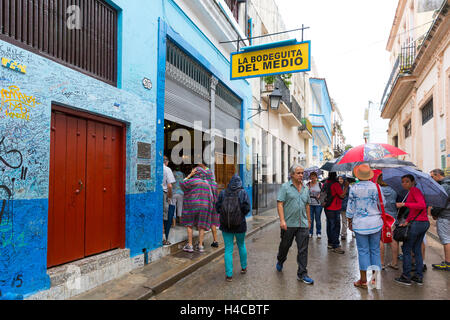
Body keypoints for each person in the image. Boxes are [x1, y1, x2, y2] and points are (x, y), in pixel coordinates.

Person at [346, 164, 383, 289]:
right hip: (376, 222)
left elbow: (350, 207)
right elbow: (383, 202)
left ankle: (363, 280)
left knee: (363, 252)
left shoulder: (354, 188)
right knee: (375, 251)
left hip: (360, 224)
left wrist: (349, 220)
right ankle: (375, 280)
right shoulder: (376, 187)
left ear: (358, 175)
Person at [275, 163, 314, 284]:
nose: (301, 175)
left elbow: (307, 205)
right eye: (298, 173)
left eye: (302, 173)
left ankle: (302, 274)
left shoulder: (306, 189)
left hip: (302, 223)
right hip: (289, 223)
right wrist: (282, 220)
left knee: (303, 249)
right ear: (292, 175)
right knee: (285, 246)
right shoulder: (285, 187)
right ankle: (280, 260)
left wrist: (308, 220)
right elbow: (280, 203)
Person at [394, 174, 429, 286]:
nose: (404, 183)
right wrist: (407, 221)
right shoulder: (412, 191)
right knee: (417, 249)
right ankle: (418, 276)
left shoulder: (414, 190)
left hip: (418, 224)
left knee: (406, 248)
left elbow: (422, 205)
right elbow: (414, 211)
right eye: (403, 181)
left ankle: (406, 276)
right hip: (421, 223)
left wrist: (404, 204)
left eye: (407, 181)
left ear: (413, 182)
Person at [216, 174, 251, 282]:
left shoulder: (223, 193)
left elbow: (217, 208)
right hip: (240, 225)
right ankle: (244, 267)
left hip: (226, 226)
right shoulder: (243, 192)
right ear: (240, 183)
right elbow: (247, 208)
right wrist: (240, 216)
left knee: (228, 249)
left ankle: (229, 275)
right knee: (241, 245)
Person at [180, 166, 215, 253]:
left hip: (192, 205)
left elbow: (181, 184)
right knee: (201, 226)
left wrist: (189, 175)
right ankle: (200, 246)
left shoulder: (192, 181)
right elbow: (211, 197)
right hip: (204, 207)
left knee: (189, 224)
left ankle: (190, 245)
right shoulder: (207, 184)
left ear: (195, 173)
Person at [429, 169, 450, 271]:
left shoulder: (444, 186)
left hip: (445, 216)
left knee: (446, 240)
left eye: (432, 177)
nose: (432, 179)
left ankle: (447, 263)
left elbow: (440, 203)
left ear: (437, 175)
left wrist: (434, 213)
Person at [377, 174, 399, 270]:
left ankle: (381, 263)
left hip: (381, 216)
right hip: (392, 217)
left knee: (381, 240)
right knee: (393, 239)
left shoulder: (378, 190)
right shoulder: (394, 191)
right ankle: (394, 263)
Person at [196, 162, 220, 248]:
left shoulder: (203, 184)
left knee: (201, 224)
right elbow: (217, 196)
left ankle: (200, 243)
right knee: (213, 223)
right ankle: (215, 241)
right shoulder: (214, 184)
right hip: (213, 206)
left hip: (205, 206)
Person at [324, 172, 348, 254]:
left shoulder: (325, 183)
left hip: (327, 207)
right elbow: (342, 195)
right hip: (335, 208)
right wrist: (346, 187)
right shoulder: (335, 184)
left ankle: (330, 243)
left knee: (329, 225)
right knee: (336, 227)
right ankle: (336, 245)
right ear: (335, 176)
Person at [163, 155, 176, 246]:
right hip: (164, 194)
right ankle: (164, 239)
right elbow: (169, 185)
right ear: (166, 162)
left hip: (156, 194)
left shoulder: (156, 168)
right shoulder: (167, 169)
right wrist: (169, 197)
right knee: (165, 216)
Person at [307, 172, 323, 239]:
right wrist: (307, 189)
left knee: (318, 219)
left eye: (314, 176)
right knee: (310, 219)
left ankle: (318, 233)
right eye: (311, 176)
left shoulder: (320, 184)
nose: (313, 178)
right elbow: (305, 193)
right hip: (310, 204)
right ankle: (310, 232)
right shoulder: (308, 184)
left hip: (318, 204)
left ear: (316, 177)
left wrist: (320, 195)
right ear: (310, 177)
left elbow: (323, 192)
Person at [338, 175, 349, 241]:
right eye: (339, 179)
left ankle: (343, 234)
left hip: (344, 206)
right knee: (337, 221)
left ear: (344, 180)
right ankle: (338, 233)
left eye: (341, 179)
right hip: (338, 206)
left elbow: (349, 196)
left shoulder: (347, 187)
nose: (340, 180)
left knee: (344, 221)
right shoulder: (337, 186)